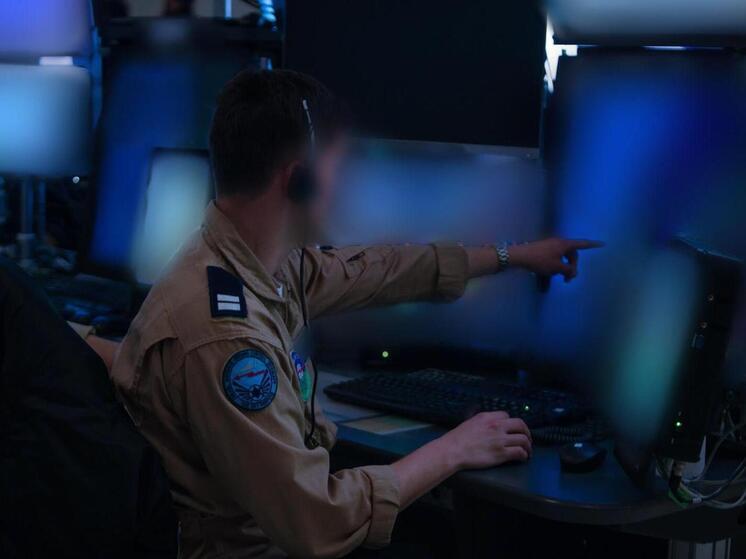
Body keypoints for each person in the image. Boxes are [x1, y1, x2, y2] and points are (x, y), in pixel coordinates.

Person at [111, 69, 602, 558]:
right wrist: (454, 449)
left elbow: (378, 270)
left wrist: (511, 256)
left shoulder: (244, 261)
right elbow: (315, 521)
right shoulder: (227, 338)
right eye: (340, 169)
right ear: (299, 181)